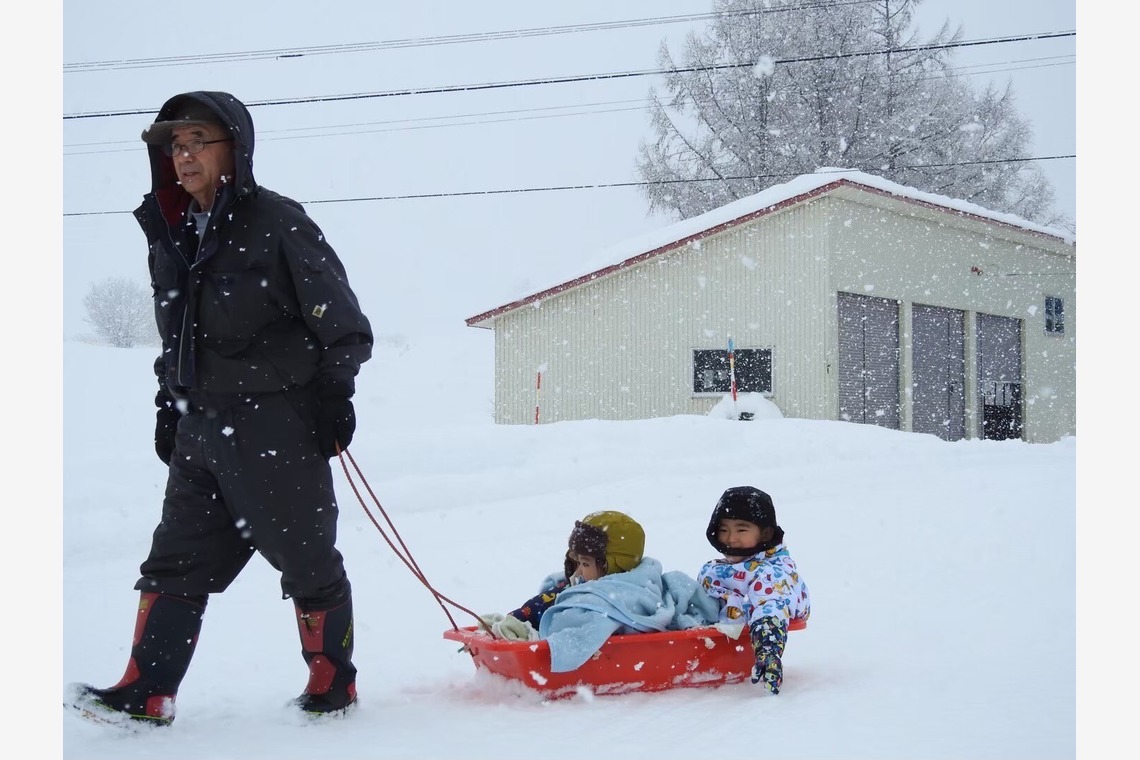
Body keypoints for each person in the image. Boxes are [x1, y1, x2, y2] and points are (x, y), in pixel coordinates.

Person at [65, 91, 374, 726]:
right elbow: (175, 330)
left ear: (235, 147)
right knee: (176, 557)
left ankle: (332, 683)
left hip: (275, 421)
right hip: (200, 425)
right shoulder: (172, 232)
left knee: (307, 558)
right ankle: (145, 689)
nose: (184, 156)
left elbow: (343, 324)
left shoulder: (278, 223)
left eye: (198, 141)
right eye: (175, 146)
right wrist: (168, 401)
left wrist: (334, 393)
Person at [698, 486, 811, 695]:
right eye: (723, 530)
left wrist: (768, 648)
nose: (731, 538)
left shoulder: (773, 574)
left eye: (741, 530)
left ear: (765, 533)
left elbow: (772, 605)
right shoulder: (715, 569)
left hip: (747, 645)